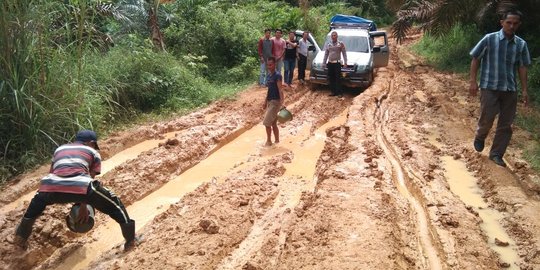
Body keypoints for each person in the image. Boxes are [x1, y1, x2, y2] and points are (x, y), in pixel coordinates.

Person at [13, 130, 137, 250]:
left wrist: (62, 192)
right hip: (81, 186)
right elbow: (89, 179)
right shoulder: (93, 152)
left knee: (32, 212)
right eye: (94, 145)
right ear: (92, 143)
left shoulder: (59, 149)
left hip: (49, 187)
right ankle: (131, 241)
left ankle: (20, 237)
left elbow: (53, 172)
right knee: (116, 206)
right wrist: (83, 206)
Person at [469, 10, 531, 167]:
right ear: (502, 22)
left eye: (515, 23)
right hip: (489, 86)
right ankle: (480, 136)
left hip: (510, 89)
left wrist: (524, 90)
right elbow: (476, 58)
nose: (512, 26)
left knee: (506, 124)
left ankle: (496, 154)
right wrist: (473, 81)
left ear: (519, 25)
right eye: (509, 22)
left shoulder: (521, 44)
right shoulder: (489, 39)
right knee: (487, 117)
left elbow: (522, 67)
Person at [262, 57, 285, 146]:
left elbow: (280, 89)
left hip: (275, 102)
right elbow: (269, 90)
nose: (269, 66)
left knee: (266, 123)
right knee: (273, 123)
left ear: (275, 64)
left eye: (271, 65)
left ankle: (268, 141)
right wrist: (265, 101)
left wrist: (282, 101)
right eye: (268, 65)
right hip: (270, 101)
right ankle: (277, 141)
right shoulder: (269, 76)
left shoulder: (277, 75)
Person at [323, 31, 347, 97]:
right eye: (332, 35)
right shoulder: (329, 44)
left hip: (337, 63)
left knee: (338, 78)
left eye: (334, 35)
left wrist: (345, 62)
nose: (333, 37)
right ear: (331, 37)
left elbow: (344, 53)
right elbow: (326, 54)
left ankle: (339, 93)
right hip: (330, 63)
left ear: (337, 36)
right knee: (331, 78)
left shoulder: (340, 44)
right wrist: (324, 62)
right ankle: (333, 92)